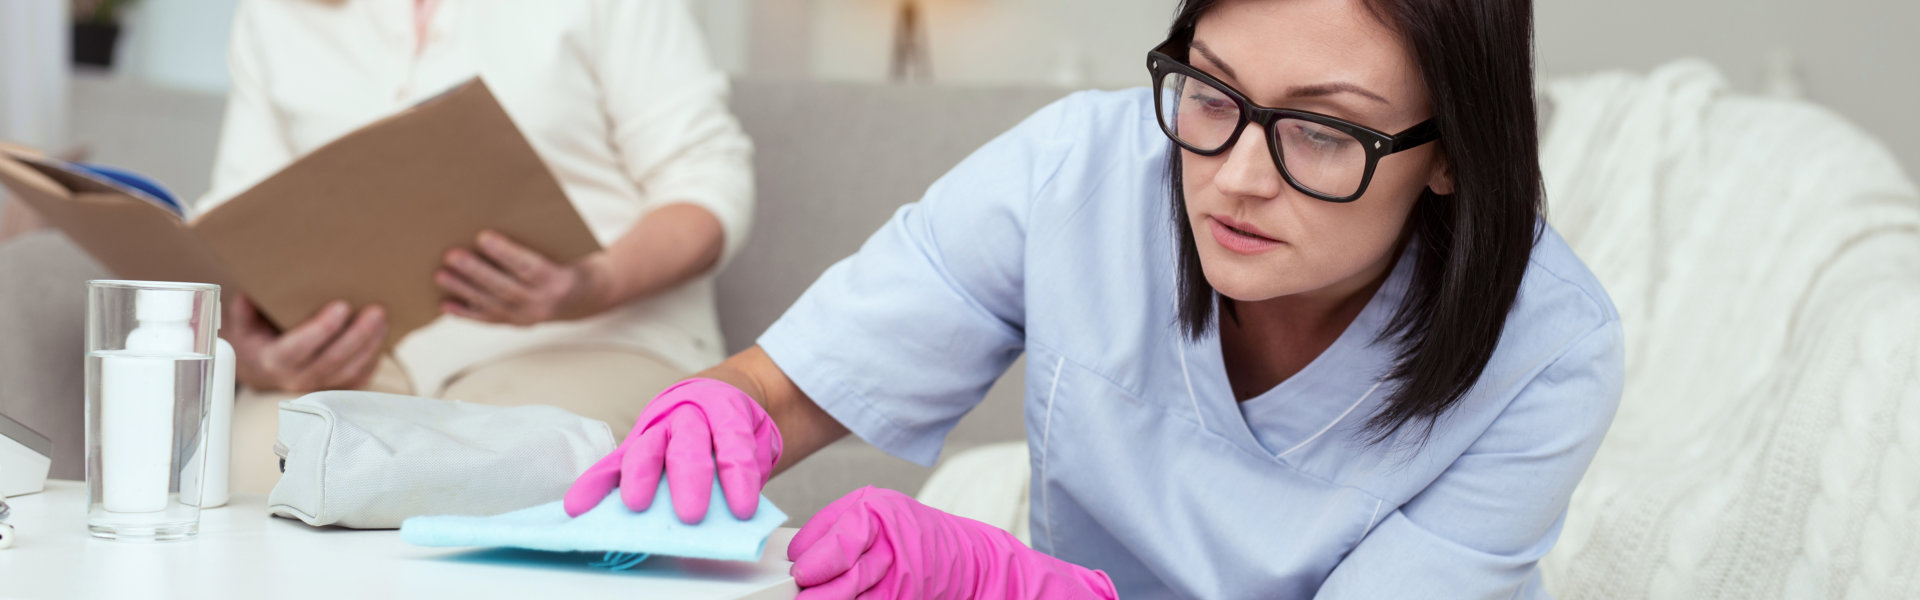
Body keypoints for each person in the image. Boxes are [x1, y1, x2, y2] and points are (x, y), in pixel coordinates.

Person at [566, 0, 1622, 597]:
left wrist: (1009, 590)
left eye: (1321, 131)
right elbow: (797, 384)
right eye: (1211, 91)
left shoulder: (1548, 352)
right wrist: (724, 413)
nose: (1238, 176)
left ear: (1451, 155)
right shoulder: (1077, 168)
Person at [205, 0, 753, 494]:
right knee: (250, 460)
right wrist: (253, 357)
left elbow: (707, 182)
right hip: (367, 357)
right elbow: (235, 227)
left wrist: (592, 284)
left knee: (498, 466)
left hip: (599, 335)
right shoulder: (272, 14)